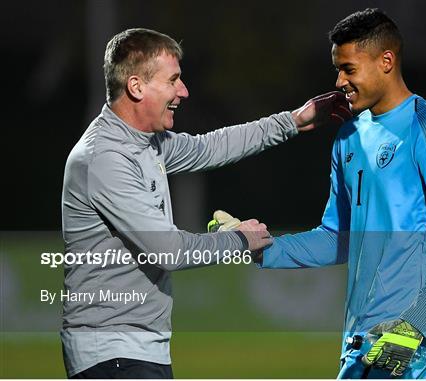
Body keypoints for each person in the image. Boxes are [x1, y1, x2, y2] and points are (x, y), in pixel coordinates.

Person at [60, 28, 351, 378]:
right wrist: (241, 240)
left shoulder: (145, 141)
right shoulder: (105, 158)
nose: (183, 91)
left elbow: (210, 147)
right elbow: (167, 251)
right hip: (110, 352)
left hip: (132, 350)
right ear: (136, 87)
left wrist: (292, 120)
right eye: (173, 80)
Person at [255, 8, 426, 379]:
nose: (339, 80)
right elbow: (337, 238)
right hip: (356, 341)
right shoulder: (348, 136)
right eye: (338, 68)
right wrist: (259, 249)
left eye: (349, 68)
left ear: (386, 61)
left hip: (402, 345)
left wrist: (413, 327)